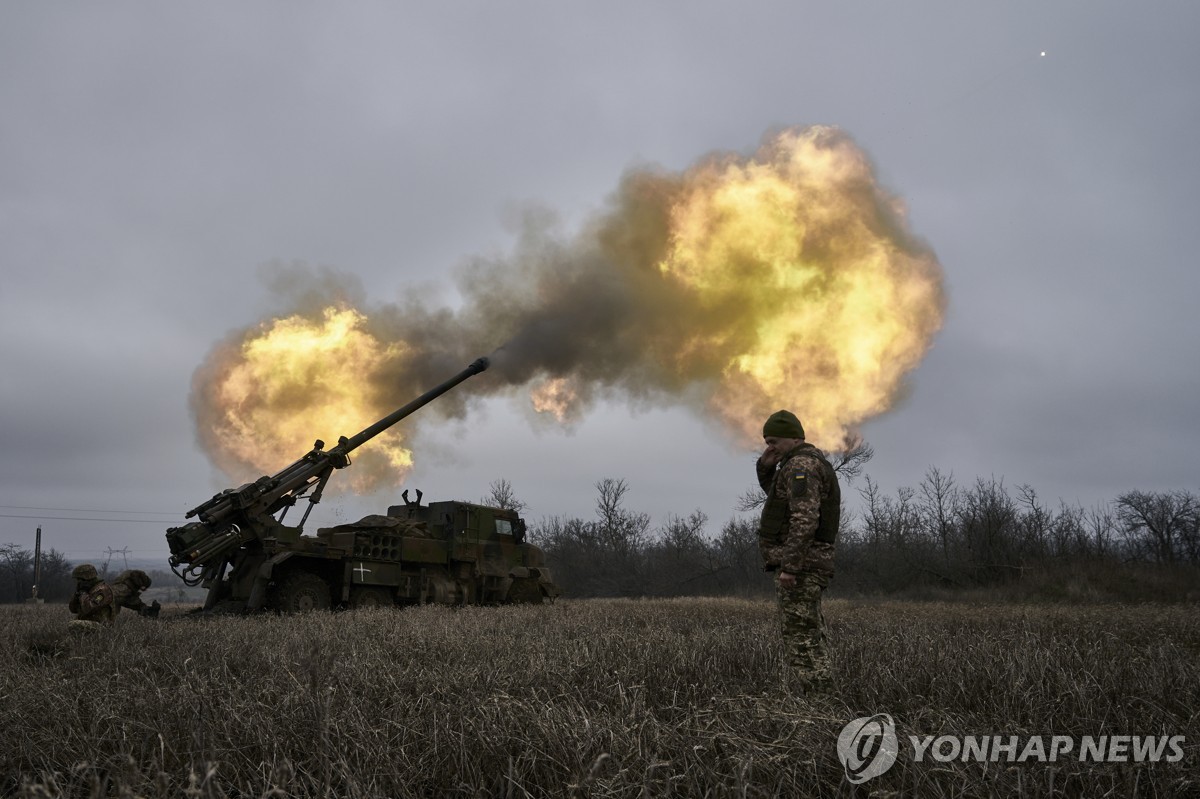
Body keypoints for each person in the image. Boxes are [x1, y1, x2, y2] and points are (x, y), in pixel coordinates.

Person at [755, 409, 841, 694]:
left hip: (802, 567)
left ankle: (821, 704)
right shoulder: (800, 464)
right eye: (767, 442)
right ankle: (823, 696)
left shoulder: (801, 466)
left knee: (800, 636)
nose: (770, 447)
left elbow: (803, 518)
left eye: (774, 441)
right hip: (809, 564)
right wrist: (765, 468)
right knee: (810, 633)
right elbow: (780, 500)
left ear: (795, 438)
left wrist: (791, 566)